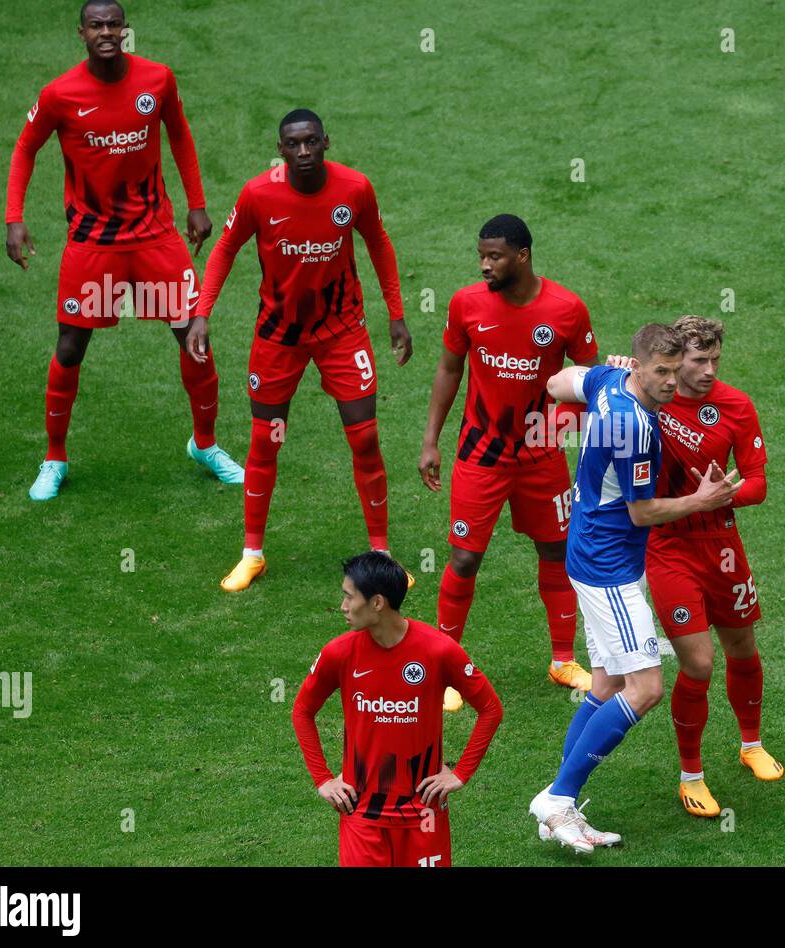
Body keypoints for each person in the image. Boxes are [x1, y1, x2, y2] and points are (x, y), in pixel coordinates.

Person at [6, 0, 242, 501]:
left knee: (194, 338)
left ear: (125, 30)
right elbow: (26, 148)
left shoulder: (157, 79)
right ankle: (55, 457)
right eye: (97, 25)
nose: (107, 32)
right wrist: (14, 219)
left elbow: (179, 133)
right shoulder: (59, 94)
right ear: (81, 33)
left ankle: (205, 445)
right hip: (93, 243)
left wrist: (197, 205)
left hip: (156, 238)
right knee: (71, 346)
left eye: (115, 24)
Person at [527, 325, 739, 853]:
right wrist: (703, 499)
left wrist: (611, 374)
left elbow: (556, 383)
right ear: (642, 367)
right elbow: (643, 511)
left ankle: (561, 801)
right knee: (644, 689)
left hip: (587, 545)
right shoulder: (635, 428)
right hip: (609, 565)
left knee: (603, 684)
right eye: (661, 372)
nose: (671, 382)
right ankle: (557, 799)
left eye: (675, 371)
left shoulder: (609, 382)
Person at [188, 109, 413, 592]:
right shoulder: (258, 194)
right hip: (278, 337)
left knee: (365, 439)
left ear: (326, 141)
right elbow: (226, 247)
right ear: (282, 148)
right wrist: (203, 312)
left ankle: (382, 554)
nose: (305, 151)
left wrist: (395, 315)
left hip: (342, 332)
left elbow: (379, 243)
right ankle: (252, 554)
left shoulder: (354, 189)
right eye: (295, 144)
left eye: (312, 141)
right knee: (265, 441)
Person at [418, 215, 596, 711]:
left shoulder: (567, 310)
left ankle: (562, 660)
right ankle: (446, 666)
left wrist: (566, 433)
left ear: (522, 255)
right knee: (463, 557)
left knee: (557, 552)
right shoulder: (466, 304)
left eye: (494, 256)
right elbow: (449, 368)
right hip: (481, 454)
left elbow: (588, 381)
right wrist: (431, 441)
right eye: (481, 255)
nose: (484, 265)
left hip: (542, 457)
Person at [644, 315, 782, 818]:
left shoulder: (736, 405)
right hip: (668, 547)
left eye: (715, 360)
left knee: (742, 646)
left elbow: (758, 485)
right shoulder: (648, 400)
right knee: (698, 663)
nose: (708, 370)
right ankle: (691, 775)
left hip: (722, 545)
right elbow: (570, 395)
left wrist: (716, 497)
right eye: (699, 361)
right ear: (675, 360)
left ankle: (751, 745)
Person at [292, 552, 502, 867]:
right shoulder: (339, 654)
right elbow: (302, 711)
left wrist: (461, 774)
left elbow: (490, 708)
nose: (343, 607)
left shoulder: (439, 650)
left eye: (350, 597)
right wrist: (323, 779)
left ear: (377, 603)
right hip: (361, 813)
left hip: (424, 814)